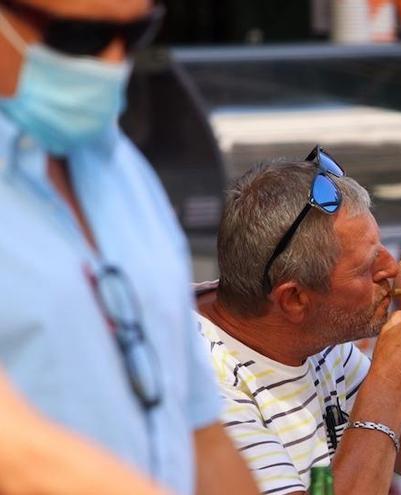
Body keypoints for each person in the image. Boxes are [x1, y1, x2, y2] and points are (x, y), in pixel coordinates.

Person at [0, 1, 257, 493]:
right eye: (78, 37)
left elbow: (197, 429)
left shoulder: (126, 171)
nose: (113, 61)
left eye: (138, 33)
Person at [195, 151, 401, 495]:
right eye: (366, 267)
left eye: (380, 246)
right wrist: (389, 386)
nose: (392, 269)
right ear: (295, 299)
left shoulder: (315, 339)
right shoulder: (203, 380)